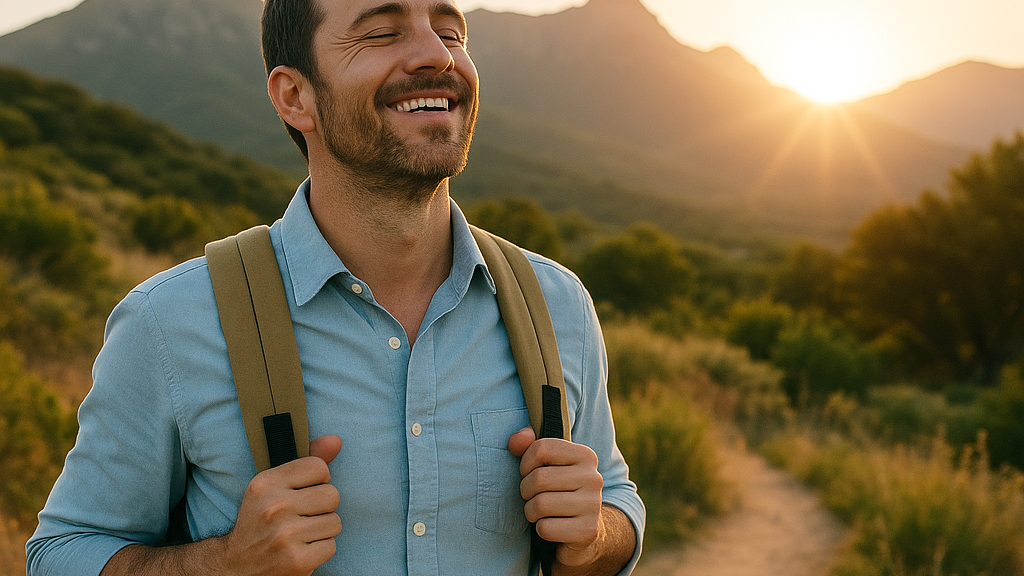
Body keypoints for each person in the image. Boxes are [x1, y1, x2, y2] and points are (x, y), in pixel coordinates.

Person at [26, 0, 645, 574]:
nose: (439, 54)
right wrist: (224, 564)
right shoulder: (171, 320)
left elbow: (617, 503)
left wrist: (594, 538)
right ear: (295, 96)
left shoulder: (557, 304)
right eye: (381, 32)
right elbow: (62, 551)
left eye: (451, 31)